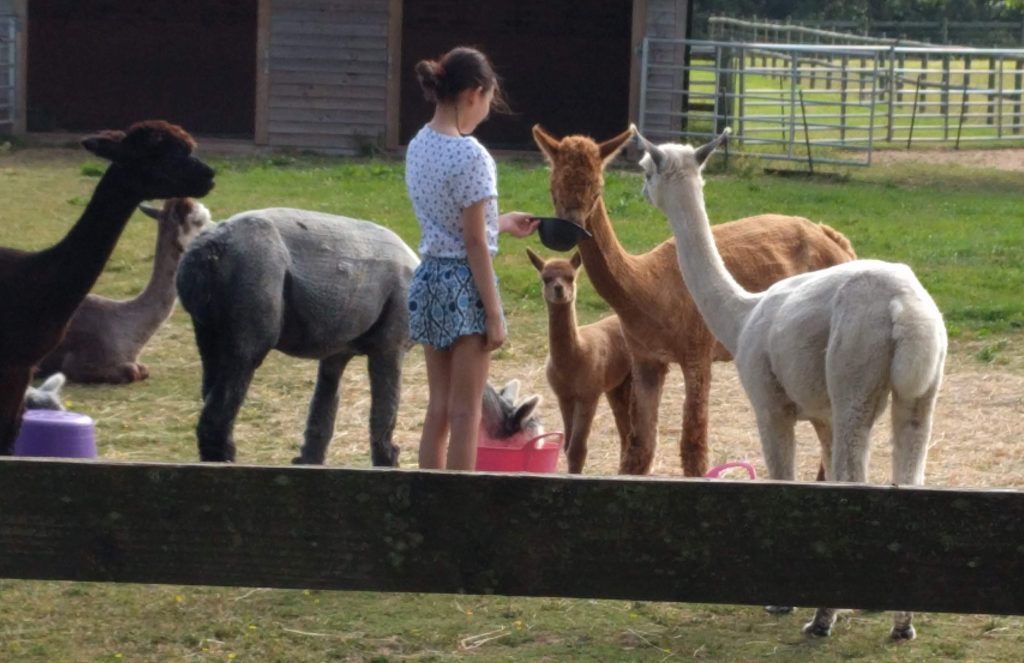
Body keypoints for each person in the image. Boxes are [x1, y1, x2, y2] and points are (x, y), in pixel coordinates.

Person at [405, 46, 539, 470]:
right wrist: (494, 314)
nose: (486, 111)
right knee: (467, 413)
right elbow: (474, 244)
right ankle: (460, 511)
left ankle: (430, 501)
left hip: (428, 281)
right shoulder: (472, 155)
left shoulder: (418, 144)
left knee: (439, 408)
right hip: (465, 288)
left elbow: (455, 227)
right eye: (488, 100)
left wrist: (501, 221)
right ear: (473, 94)